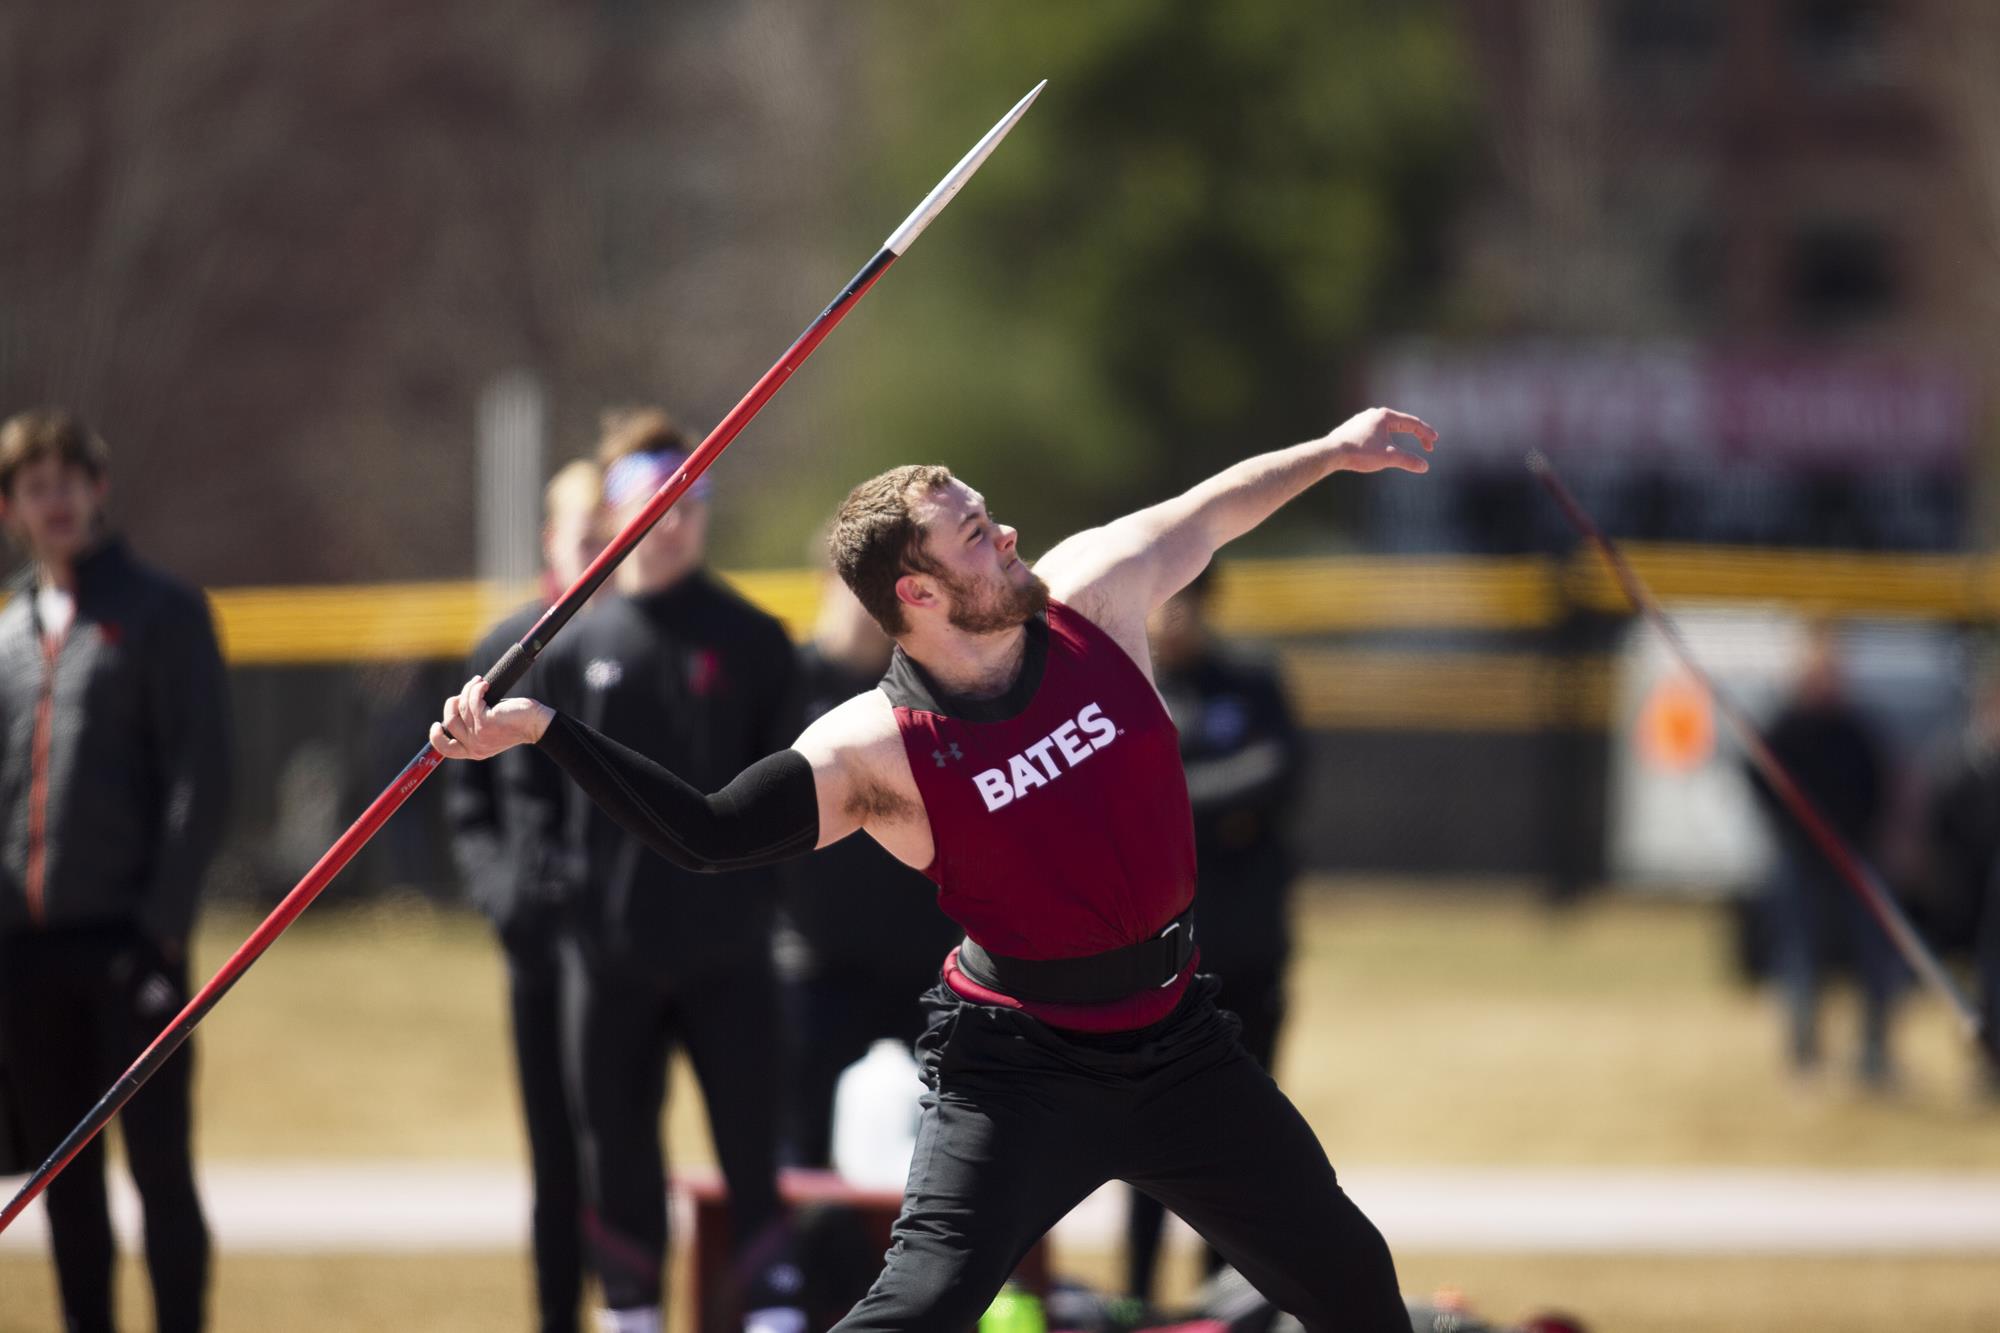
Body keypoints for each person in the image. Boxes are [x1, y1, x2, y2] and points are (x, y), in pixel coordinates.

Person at [433, 406, 1437, 1332]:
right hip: (1019, 1068)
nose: (1004, 538)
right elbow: (708, 832)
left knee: (1351, 1279)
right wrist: (546, 728)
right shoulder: (878, 746)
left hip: (1179, 1039)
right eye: (973, 537)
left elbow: (1208, 512)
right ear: (916, 593)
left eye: (988, 519)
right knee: (911, 1313)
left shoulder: (1092, 593)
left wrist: (1332, 451)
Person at [532, 408, 805, 1333]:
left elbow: (792, 794)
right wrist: (555, 891)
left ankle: (771, 1306)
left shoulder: (759, 640)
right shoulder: (570, 647)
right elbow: (533, 802)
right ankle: (633, 1308)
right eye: (652, 497)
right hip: (608, 956)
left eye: (691, 497)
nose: (673, 516)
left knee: (750, 1143)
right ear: (614, 511)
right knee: (616, 1146)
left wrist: (772, 899)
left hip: (729, 951)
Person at [0, 406, 230, 1333]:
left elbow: (201, 775)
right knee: (66, 1183)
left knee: (162, 1173)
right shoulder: (10, 633)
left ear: (98, 488)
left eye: (66, 482)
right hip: (26, 952)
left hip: (133, 943)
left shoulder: (161, 611)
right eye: (31, 487)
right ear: (12, 506)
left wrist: (162, 926)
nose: (52, 502)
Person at [447, 457, 605, 1333]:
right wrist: (505, 896)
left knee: (619, 1148)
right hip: (539, 945)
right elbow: (468, 807)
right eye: (584, 534)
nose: (598, 550)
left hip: (623, 946)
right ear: (551, 538)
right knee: (553, 1155)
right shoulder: (504, 647)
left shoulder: (634, 641)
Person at [1124, 563, 1305, 1307]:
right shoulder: (1124, 688)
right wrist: (1214, 809)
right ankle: (1137, 1296)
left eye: (1181, 603)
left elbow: (1280, 773)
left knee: (1239, 1139)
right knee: (1144, 1134)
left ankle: (1219, 1300)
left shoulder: (1253, 680)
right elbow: (1118, 795)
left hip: (1248, 948)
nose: (1169, 619)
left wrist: (1173, 802)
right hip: (1152, 958)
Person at [775, 571, 961, 1170]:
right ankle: (803, 1265)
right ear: (833, 579)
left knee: (940, 1142)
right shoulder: (784, 681)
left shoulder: (930, 684)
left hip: (922, 956)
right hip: (814, 958)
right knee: (802, 1142)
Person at [1750, 624, 1898, 1088]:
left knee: (1875, 953)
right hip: (1800, 858)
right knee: (1800, 955)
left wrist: (1862, 833)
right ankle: (1804, 1055)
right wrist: (1788, 829)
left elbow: (1879, 784)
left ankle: (1874, 1053)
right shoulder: (1783, 729)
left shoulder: (1855, 729)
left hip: (1853, 855)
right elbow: (1758, 782)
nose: (1826, 680)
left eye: (1833, 671)